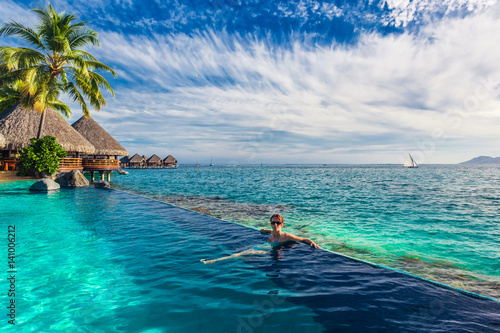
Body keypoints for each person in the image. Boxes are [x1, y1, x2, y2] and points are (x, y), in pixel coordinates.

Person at [200, 214, 320, 264]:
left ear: (282, 224)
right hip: (261, 247)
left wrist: (312, 243)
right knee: (240, 256)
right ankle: (218, 260)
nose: (275, 225)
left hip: (265, 251)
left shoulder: (285, 236)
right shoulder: (272, 232)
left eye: (278, 223)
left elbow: (303, 239)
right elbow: (271, 231)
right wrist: (265, 231)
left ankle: (214, 261)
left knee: (239, 255)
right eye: (273, 223)